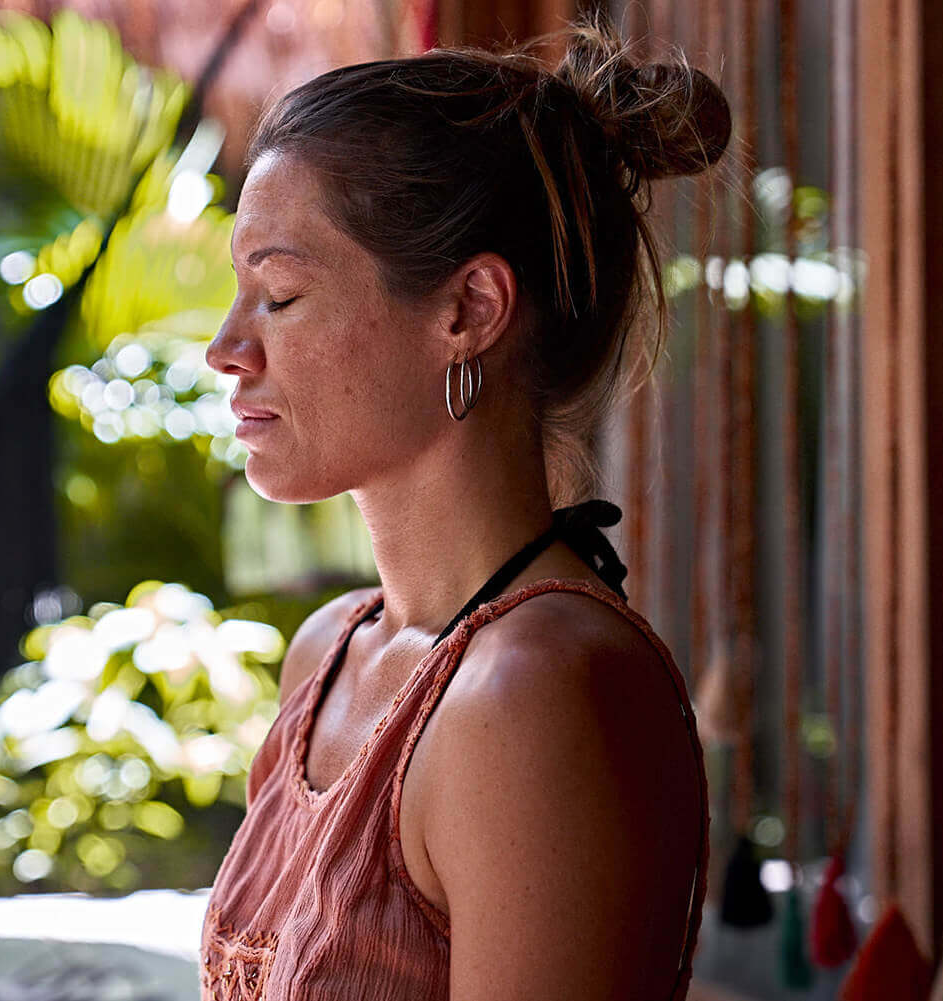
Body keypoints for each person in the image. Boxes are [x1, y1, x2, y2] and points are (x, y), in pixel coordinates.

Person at [199, 8, 732, 1000]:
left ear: (469, 310)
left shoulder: (537, 692)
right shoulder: (328, 654)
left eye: (280, 294)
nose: (226, 347)